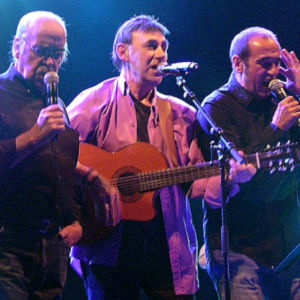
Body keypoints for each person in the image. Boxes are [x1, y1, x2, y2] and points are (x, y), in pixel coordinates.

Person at [67, 15, 256, 300]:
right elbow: (57, 158)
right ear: (124, 51)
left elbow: (197, 185)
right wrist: (93, 184)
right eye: (151, 46)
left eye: (164, 47)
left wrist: (230, 179)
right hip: (106, 242)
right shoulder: (94, 102)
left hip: (167, 245)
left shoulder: (181, 114)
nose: (161, 54)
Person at [198, 26, 300, 300]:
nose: (274, 71)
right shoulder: (216, 107)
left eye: (278, 62)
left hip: (287, 245)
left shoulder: (283, 99)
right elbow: (238, 162)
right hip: (238, 250)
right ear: (238, 63)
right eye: (265, 63)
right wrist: (276, 128)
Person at [0, 11, 86, 300]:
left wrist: (72, 218)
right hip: (8, 243)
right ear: (17, 47)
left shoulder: (57, 104)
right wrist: (33, 137)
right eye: (42, 51)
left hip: (52, 247)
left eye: (58, 54)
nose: (50, 62)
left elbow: (61, 169)